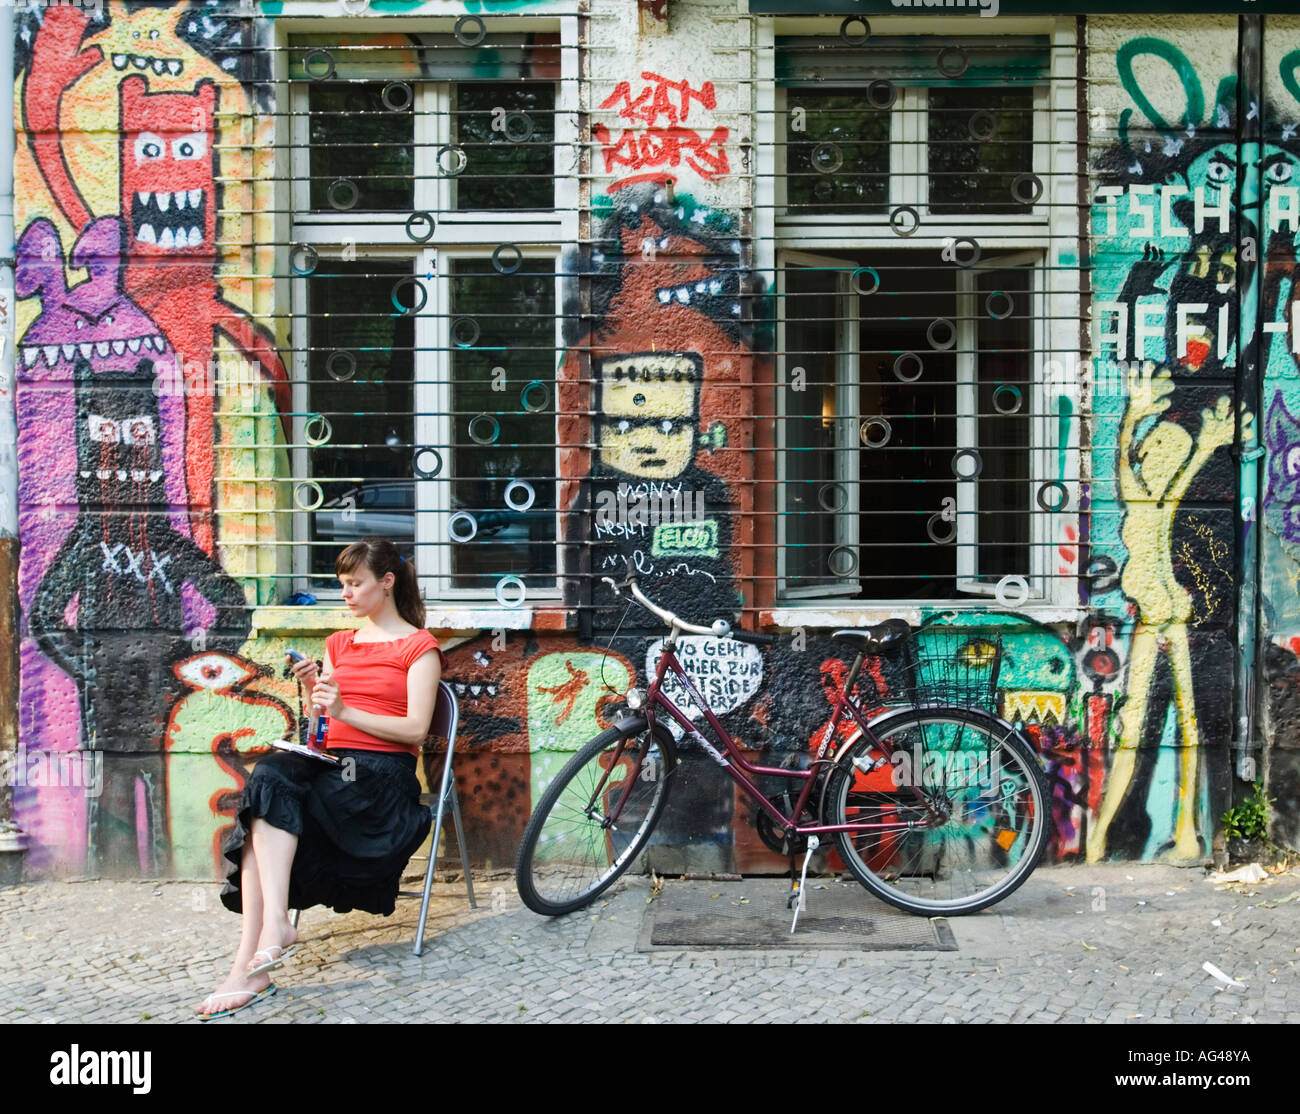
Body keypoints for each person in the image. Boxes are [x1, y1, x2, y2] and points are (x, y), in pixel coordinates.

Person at [195, 538, 441, 1020]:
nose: (345, 594)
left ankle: (251, 965)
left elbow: (415, 730)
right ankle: (270, 937)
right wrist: (315, 693)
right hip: (332, 764)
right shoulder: (338, 643)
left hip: (381, 780)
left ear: (386, 583)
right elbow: (322, 728)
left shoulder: (420, 648)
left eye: (355, 584)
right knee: (267, 778)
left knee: (271, 801)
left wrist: (347, 707)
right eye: (341, 585)